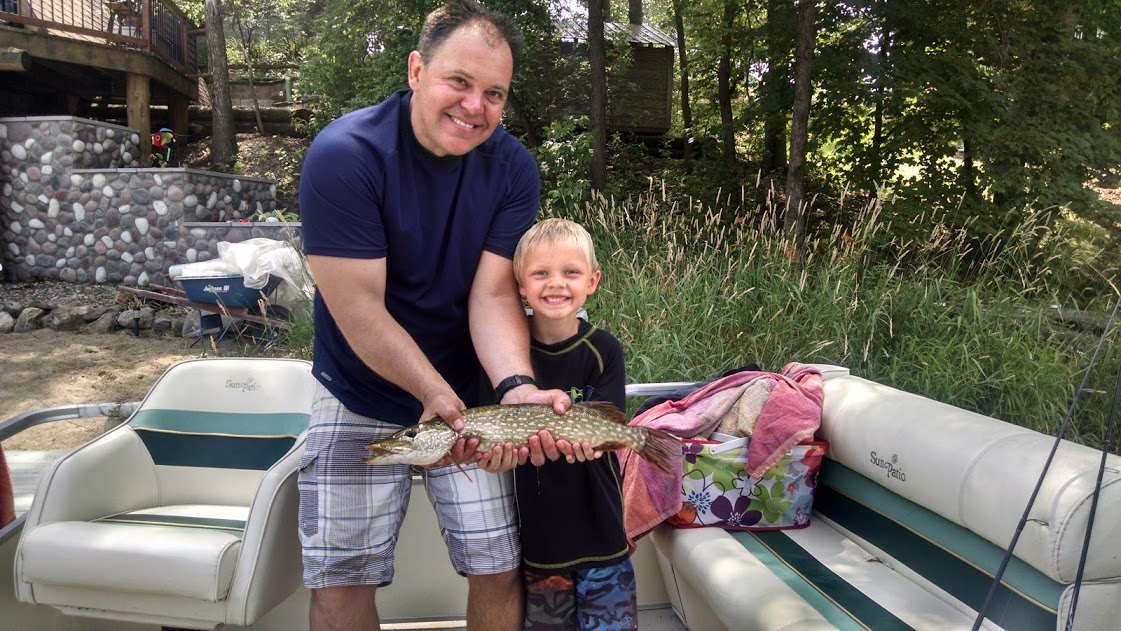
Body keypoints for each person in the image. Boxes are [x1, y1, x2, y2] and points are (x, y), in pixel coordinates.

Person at [296, 2, 588, 629]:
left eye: (494, 93)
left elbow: (490, 295)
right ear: (416, 70)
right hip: (356, 388)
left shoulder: (512, 168)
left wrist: (514, 386)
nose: (474, 107)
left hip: (470, 392)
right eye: (459, 81)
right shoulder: (344, 155)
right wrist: (432, 395)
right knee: (342, 578)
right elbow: (359, 311)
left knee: (498, 563)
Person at [511, 218, 638, 630]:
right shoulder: (507, 354)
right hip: (540, 528)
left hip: (600, 520)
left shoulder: (603, 349)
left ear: (592, 281)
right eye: (541, 273)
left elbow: (609, 424)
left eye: (571, 272)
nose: (556, 284)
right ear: (520, 285)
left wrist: (598, 440)